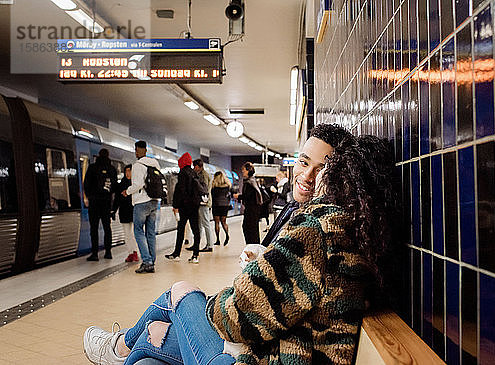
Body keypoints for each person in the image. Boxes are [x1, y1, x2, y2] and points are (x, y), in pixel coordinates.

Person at [82, 134, 398, 365]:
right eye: (305, 162)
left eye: (327, 168)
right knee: (149, 356)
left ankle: (118, 346)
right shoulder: (356, 235)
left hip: (261, 356)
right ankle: (123, 350)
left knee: (180, 293)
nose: (313, 176)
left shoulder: (318, 231)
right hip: (284, 350)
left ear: (341, 176)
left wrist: (217, 300)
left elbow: (236, 319)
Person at [123, 140, 161, 274]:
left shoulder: (138, 165)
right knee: (150, 232)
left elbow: (138, 185)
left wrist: (127, 191)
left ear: (138, 150)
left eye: (136, 150)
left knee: (138, 231)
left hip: (141, 202)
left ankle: (147, 261)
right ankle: (152, 260)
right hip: (154, 201)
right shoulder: (155, 163)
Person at [165, 153, 202, 263]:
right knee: (196, 230)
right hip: (194, 206)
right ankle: (195, 255)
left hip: (184, 207)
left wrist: (175, 206)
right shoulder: (194, 173)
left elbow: (180, 191)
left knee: (181, 230)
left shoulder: (182, 173)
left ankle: (177, 254)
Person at [84, 148, 118, 261]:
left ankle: (94, 254)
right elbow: (114, 187)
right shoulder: (112, 169)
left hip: (94, 202)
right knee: (107, 228)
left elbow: (86, 184)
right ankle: (108, 252)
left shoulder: (92, 168)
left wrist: (90, 196)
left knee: (94, 229)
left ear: (98, 155)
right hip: (106, 202)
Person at [112, 164, 138, 262]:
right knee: (127, 234)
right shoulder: (121, 184)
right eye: (126, 171)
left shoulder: (136, 184)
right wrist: (113, 210)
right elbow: (117, 199)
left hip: (135, 212)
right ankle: (130, 253)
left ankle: (135, 252)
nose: (128, 173)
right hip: (124, 212)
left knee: (135, 233)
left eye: (130, 171)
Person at [233, 162, 262, 245]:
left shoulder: (249, 182)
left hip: (251, 209)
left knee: (249, 228)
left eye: (244, 170)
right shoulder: (253, 181)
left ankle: (252, 246)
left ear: (249, 171)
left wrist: (238, 196)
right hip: (253, 208)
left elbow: (248, 196)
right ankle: (252, 246)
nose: (243, 172)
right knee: (251, 228)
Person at [187, 159, 213, 253]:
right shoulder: (201, 174)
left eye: (195, 166)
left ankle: (209, 245)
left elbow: (204, 189)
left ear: (200, 166)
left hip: (204, 202)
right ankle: (196, 244)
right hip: (201, 202)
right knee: (199, 225)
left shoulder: (204, 175)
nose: (194, 168)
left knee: (205, 224)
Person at [210, 171, 232, 246]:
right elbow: (229, 196)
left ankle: (218, 240)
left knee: (217, 222)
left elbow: (212, 197)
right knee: (224, 222)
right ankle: (227, 235)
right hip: (225, 205)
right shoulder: (227, 186)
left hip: (216, 205)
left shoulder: (214, 187)